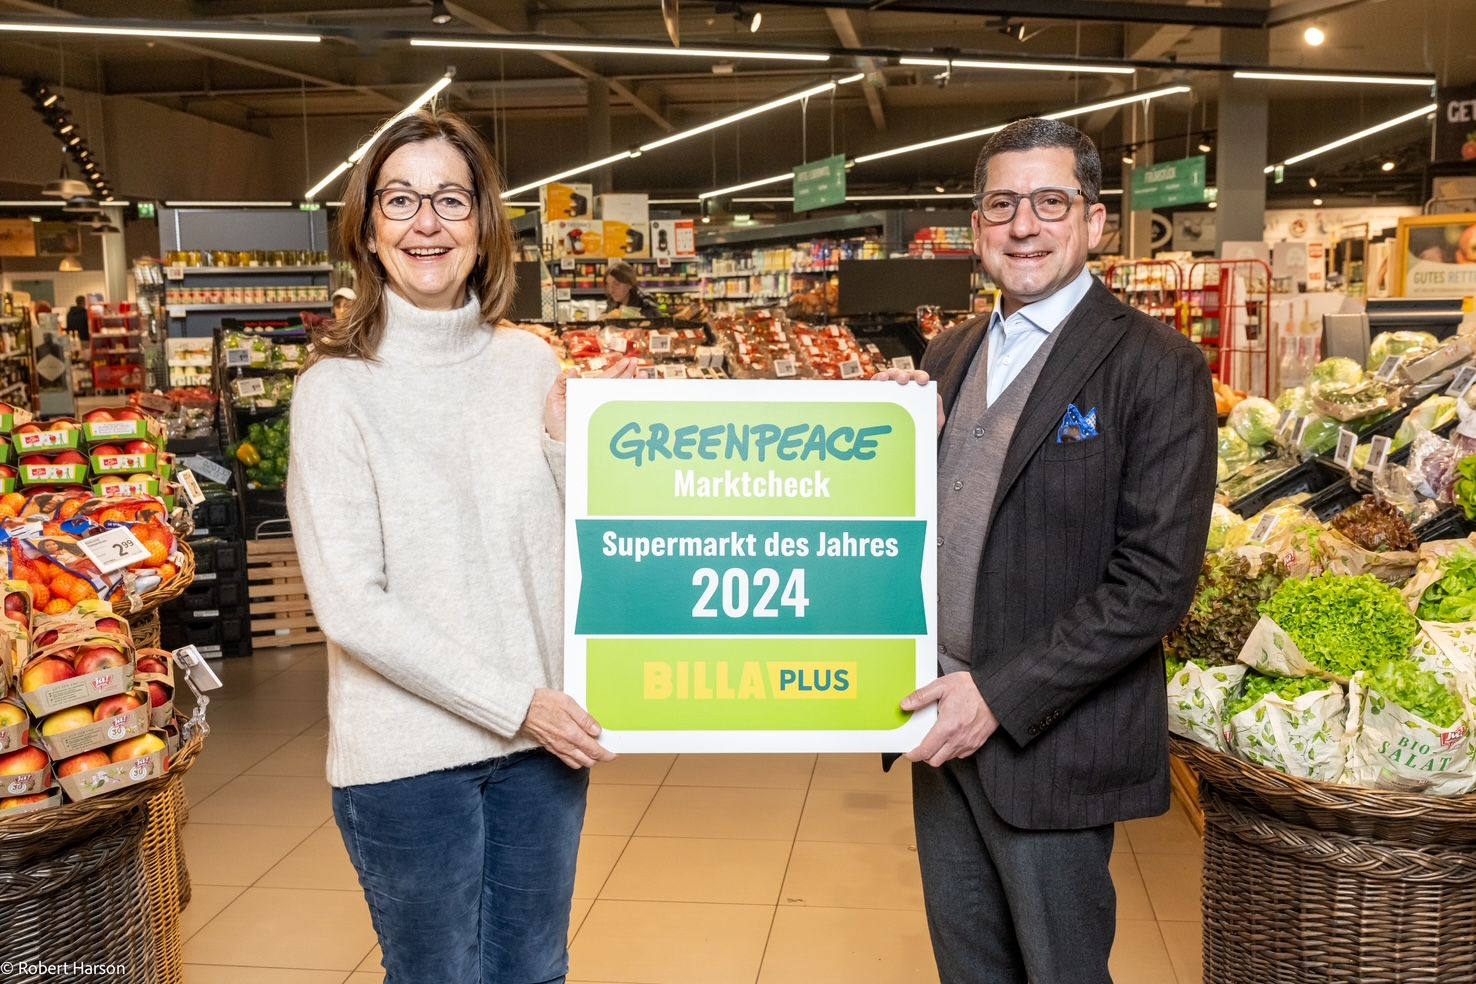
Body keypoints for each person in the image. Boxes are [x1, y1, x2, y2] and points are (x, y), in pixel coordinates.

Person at [286, 108, 635, 984]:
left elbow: (580, 544)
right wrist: (517, 703)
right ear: (368, 228)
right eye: (400, 200)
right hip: (409, 764)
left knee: (535, 972)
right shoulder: (335, 391)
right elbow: (350, 604)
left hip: (540, 754)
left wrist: (578, 446)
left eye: (451, 198)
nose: (427, 223)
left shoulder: (532, 364)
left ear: (483, 224)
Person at [875, 117, 1217, 983]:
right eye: (1002, 205)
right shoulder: (946, 353)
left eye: (1050, 202)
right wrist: (885, 440)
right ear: (977, 227)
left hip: (1049, 741)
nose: (1023, 225)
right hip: (936, 720)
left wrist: (998, 694)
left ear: (1094, 221)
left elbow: (1154, 582)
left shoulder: (1157, 364)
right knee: (968, 966)